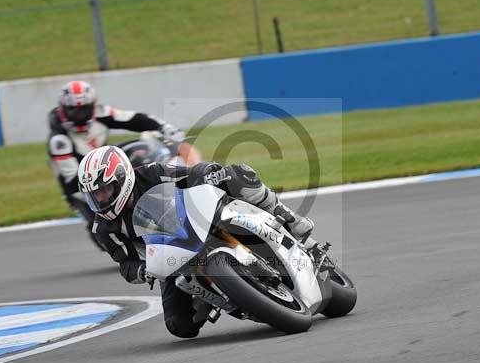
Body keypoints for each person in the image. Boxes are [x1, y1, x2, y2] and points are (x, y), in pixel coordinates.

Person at [77, 145, 315, 339]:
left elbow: (189, 174)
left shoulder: (151, 173)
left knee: (237, 174)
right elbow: (125, 263)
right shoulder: (104, 229)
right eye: (94, 195)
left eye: (105, 190)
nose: (100, 199)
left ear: (122, 178)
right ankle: (229, 299)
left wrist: (209, 174)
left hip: (195, 219)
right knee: (180, 326)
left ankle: (289, 219)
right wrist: (143, 271)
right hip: (168, 255)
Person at [47, 80, 183, 242]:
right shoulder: (59, 140)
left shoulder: (100, 114)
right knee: (105, 234)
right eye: (73, 110)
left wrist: (164, 128)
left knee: (140, 149)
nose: (79, 115)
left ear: (92, 106)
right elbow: (72, 180)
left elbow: (134, 119)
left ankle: (164, 195)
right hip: (83, 188)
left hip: (105, 170)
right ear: (63, 109)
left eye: (83, 109)